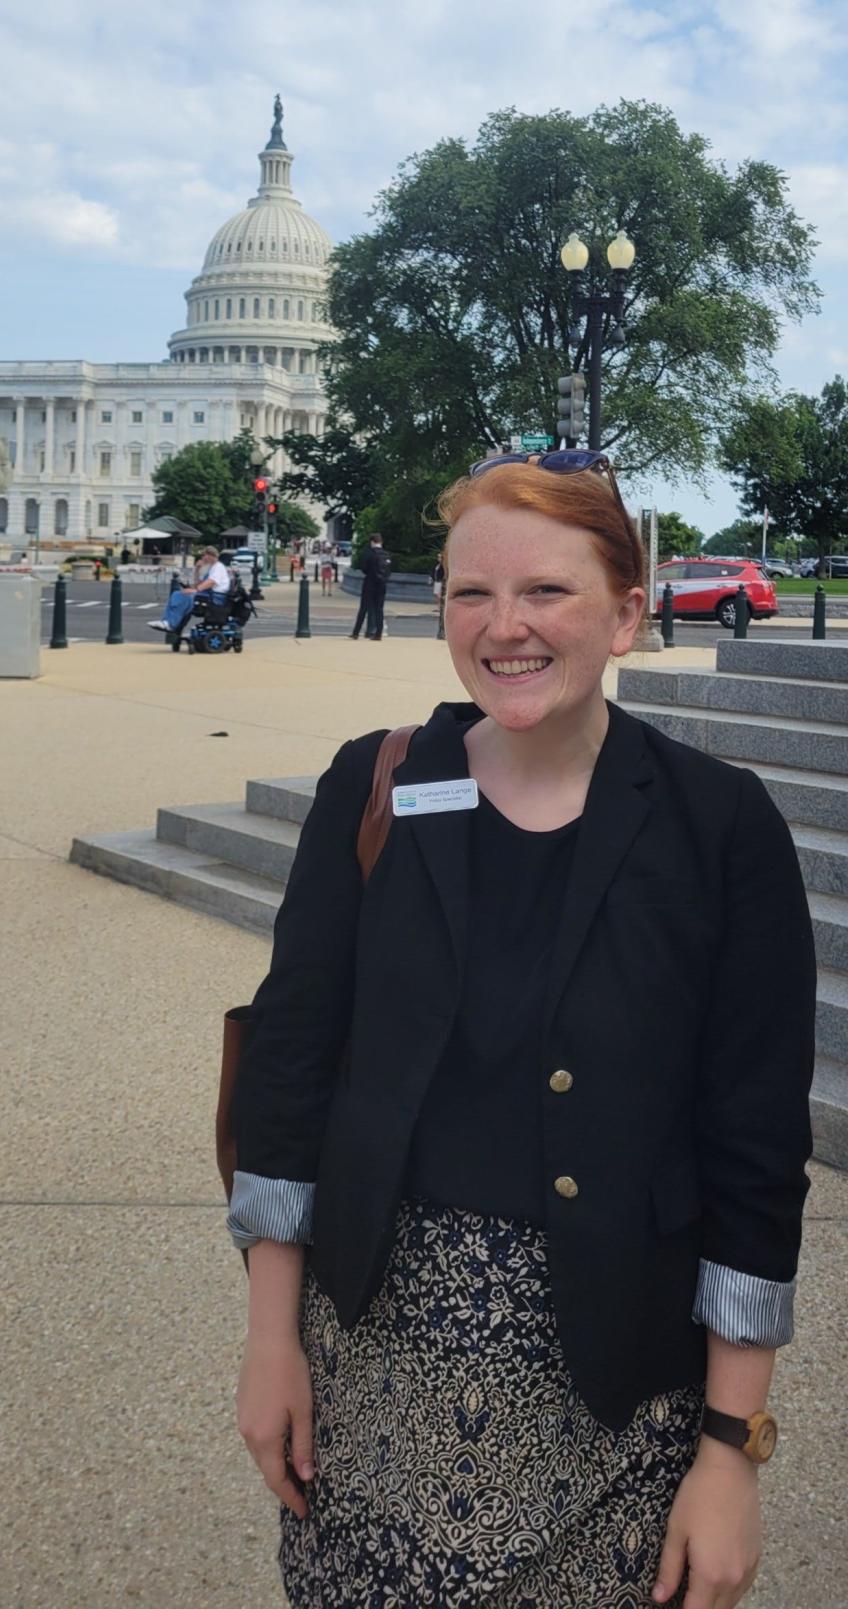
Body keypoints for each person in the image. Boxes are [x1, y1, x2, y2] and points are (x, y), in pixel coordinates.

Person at [229, 451, 816, 1608]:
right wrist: (269, 1339)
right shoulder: (377, 784)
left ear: (628, 613)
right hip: (376, 1362)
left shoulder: (718, 826)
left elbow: (754, 1149)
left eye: (547, 591)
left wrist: (729, 1448)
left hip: (613, 1382)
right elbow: (290, 1078)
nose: (506, 627)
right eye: (470, 593)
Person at [148, 544, 229, 635]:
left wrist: (196, 590)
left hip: (215, 597)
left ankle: (170, 623)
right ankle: (167, 621)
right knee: (176, 594)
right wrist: (197, 569)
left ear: (210, 555)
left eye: (204, 555)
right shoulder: (212, 568)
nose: (203, 558)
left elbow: (212, 582)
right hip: (208, 595)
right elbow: (199, 584)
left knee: (184, 596)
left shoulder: (218, 567)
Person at [349, 534, 390, 640]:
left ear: (372, 542)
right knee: (379, 609)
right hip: (382, 584)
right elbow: (388, 571)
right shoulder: (386, 555)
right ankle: (378, 633)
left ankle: (356, 632)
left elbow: (364, 569)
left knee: (364, 608)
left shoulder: (369, 554)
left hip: (370, 583)